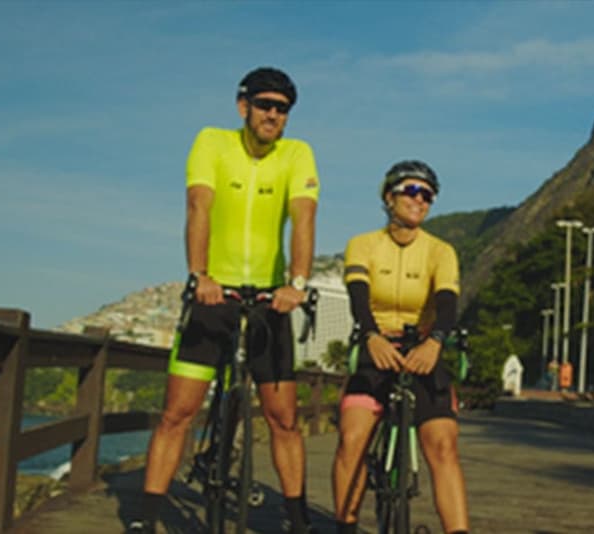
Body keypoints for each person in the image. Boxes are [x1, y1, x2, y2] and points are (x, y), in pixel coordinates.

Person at [127, 67, 320, 533]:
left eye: (283, 108)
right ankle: (146, 517)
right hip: (216, 295)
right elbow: (199, 206)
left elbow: (304, 217)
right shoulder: (212, 142)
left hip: (272, 300)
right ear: (244, 107)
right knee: (178, 413)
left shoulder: (297, 154)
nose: (274, 114)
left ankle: (298, 518)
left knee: (284, 419)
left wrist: (296, 282)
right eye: (265, 105)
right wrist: (200, 275)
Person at [331, 160, 469, 534]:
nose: (420, 199)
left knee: (443, 445)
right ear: (389, 197)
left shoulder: (441, 251)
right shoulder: (363, 244)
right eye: (411, 190)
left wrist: (435, 342)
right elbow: (358, 294)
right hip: (377, 346)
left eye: (427, 195)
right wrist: (372, 335)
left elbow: (447, 303)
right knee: (353, 438)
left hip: (423, 349)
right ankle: (346, 526)